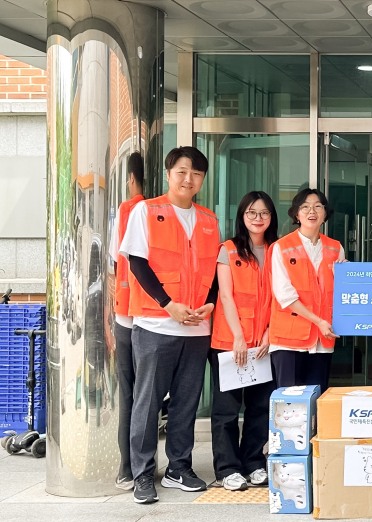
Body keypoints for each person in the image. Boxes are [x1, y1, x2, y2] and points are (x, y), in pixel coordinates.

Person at [120, 146, 219, 504]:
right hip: (156, 324)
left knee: (186, 402)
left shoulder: (209, 220)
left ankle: (179, 467)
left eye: (195, 173)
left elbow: (211, 274)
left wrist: (209, 304)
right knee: (147, 404)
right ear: (168, 173)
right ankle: (142, 474)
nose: (188, 178)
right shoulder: (147, 211)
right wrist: (168, 305)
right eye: (181, 171)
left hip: (196, 328)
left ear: (202, 180)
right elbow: (137, 263)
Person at [209, 191, 278, 491]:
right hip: (230, 341)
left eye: (263, 213)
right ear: (242, 216)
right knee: (226, 409)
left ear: (271, 217)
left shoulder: (278, 250)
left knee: (260, 407)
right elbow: (225, 295)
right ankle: (227, 469)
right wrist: (238, 337)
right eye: (251, 213)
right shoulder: (229, 249)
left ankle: (253, 463)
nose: (257, 218)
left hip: (264, 343)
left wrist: (268, 335)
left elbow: (280, 299)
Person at [269, 188, 345, 392]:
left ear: (325, 213)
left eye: (318, 206)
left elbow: (341, 293)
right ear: (296, 214)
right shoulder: (281, 247)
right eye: (305, 207)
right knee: (290, 405)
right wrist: (318, 321)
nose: (312, 211)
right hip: (289, 341)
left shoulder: (336, 248)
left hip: (322, 340)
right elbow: (284, 295)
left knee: (316, 402)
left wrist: (345, 274)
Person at [110, 151, 145, 490]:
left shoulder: (126, 211)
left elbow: (113, 263)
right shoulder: (168, 214)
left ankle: (128, 467)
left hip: (128, 316)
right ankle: (141, 465)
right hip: (161, 319)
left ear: (131, 179)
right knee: (148, 394)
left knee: (130, 393)